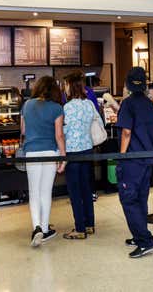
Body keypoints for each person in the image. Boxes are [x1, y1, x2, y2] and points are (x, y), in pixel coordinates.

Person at [116, 67, 153, 258]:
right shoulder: (149, 103)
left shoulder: (127, 103)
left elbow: (126, 132)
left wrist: (121, 156)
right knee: (141, 198)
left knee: (129, 199)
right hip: (148, 157)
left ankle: (146, 240)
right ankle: (138, 234)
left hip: (132, 159)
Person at [21, 76, 66, 247]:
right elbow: (59, 135)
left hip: (31, 151)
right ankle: (46, 229)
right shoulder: (57, 108)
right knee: (46, 192)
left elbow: (23, 130)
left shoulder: (27, 105)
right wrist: (63, 157)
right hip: (50, 152)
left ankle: (36, 227)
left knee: (34, 192)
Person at [62, 71, 95, 240]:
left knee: (75, 192)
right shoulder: (89, 104)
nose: (65, 89)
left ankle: (79, 228)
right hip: (87, 150)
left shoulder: (67, 108)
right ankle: (90, 224)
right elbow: (97, 122)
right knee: (86, 189)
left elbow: (63, 131)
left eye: (66, 85)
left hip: (73, 152)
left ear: (70, 86)